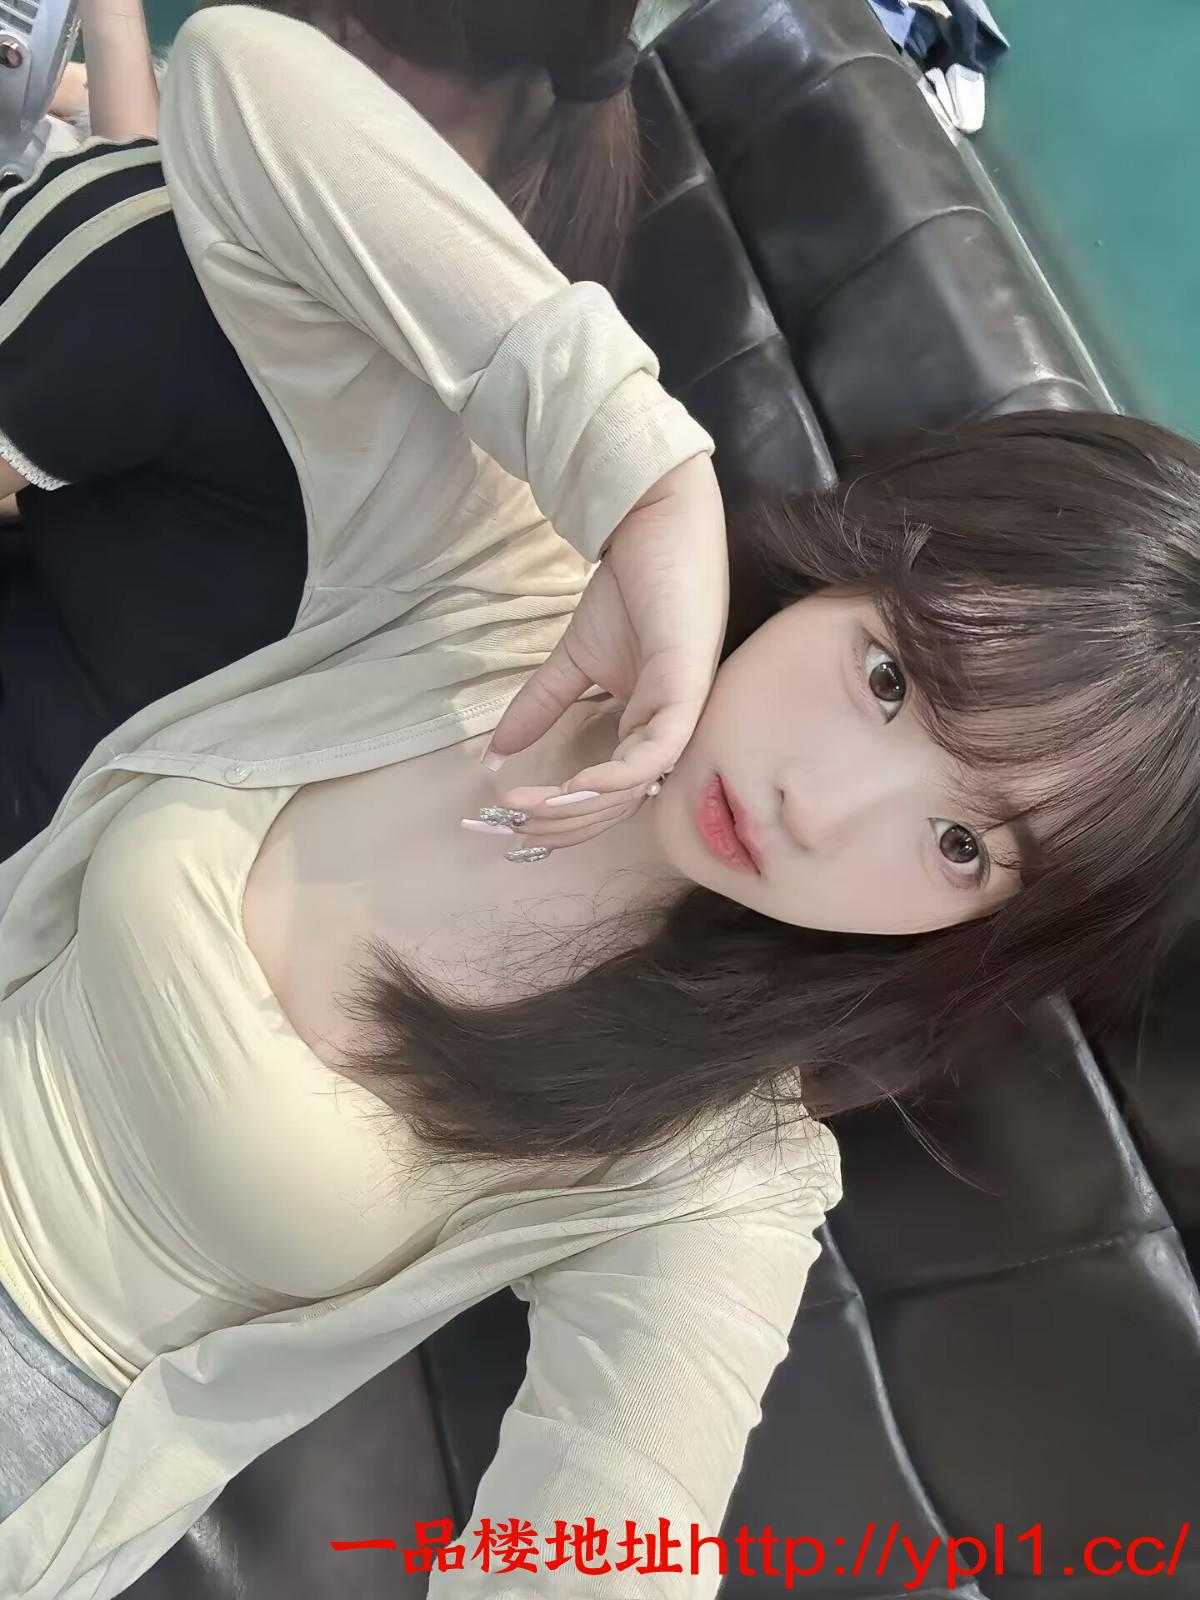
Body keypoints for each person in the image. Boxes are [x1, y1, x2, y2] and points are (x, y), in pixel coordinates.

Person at [4, 8, 1200, 1600]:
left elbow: (613, 1532)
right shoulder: (491, 586)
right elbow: (234, 79)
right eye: (890, 679)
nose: (819, 809)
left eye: (964, 844)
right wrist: (644, 475)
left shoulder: (714, 1171)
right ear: (854, 567)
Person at [0, 0, 709, 855]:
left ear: (337, 28)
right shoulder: (529, 311)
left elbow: (145, 212)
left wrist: (660, 483)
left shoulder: (154, 267)